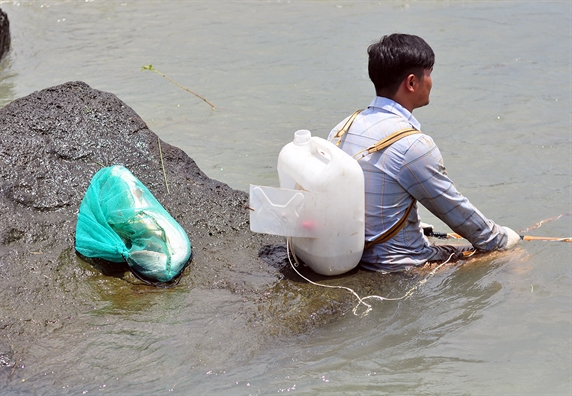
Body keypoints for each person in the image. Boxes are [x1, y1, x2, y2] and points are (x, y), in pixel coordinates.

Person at [327, 33, 521, 272]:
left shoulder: (343, 127)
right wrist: (505, 240)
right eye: (429, 73)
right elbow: (458, 214)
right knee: (508, 257)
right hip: (396, 266)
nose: (431, 81)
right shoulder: (412, 145)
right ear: (411, 83)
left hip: (350, 253)